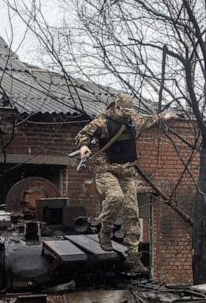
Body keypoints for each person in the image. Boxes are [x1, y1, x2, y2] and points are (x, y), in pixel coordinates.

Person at [74, 94, 176, 274]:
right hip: (106, 170)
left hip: (127, 173)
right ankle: (105, 230)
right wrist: (84, 147)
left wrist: (164, 117)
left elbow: (151, 120)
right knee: (115, 197)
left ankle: (133, 258)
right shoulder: (102, 122)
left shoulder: (133, 120)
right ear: (118, 108)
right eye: (125, 111)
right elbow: (83, 134)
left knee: (132, 213)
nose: (128, 115)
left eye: (130, 112)